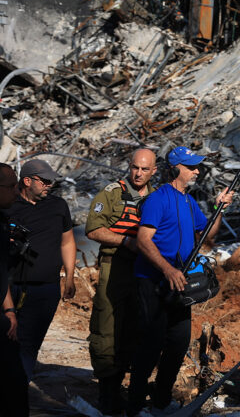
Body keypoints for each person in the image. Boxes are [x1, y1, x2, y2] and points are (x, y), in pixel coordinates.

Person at [127, 146, 234, 416]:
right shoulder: (157, 200)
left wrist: (219, 208)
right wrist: (167, 269)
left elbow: (208, 238)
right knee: (150, 345)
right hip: (153, 281)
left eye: (197, 167)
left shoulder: (188, 201)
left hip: (179, 284)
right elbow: (143, 240)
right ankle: (136, 405)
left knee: (178, 342)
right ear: (175, 169)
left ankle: (161, 401)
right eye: (191, 167)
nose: (197, 171)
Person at [85, 148, 157, 413]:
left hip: (144, 272)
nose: (138, 173)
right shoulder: (111, 193)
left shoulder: (157, 196)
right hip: (114, 267)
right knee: (107, 328)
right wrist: (127, 241)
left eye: (144, 169)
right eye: (135, 167)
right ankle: (107, 392)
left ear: (154, 171)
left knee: (135, 330)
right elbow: (93, 229)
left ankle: (125, 388)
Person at [5, 158, 77, 379]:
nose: (49, 185)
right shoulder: (9, 206)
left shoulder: (58, 206)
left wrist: (70, 277)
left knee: (29, 345)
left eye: (51, 181)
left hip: (45, 289)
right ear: (27, 181)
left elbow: (67, 242)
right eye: (45, 181)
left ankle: (19, 391)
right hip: (9, 287)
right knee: (6, 342)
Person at [0, 163, 29, 417]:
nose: (16, 192)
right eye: (11, 186)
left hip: (2, 315)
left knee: (15, 386)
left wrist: (9, 309)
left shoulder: (3, 220)